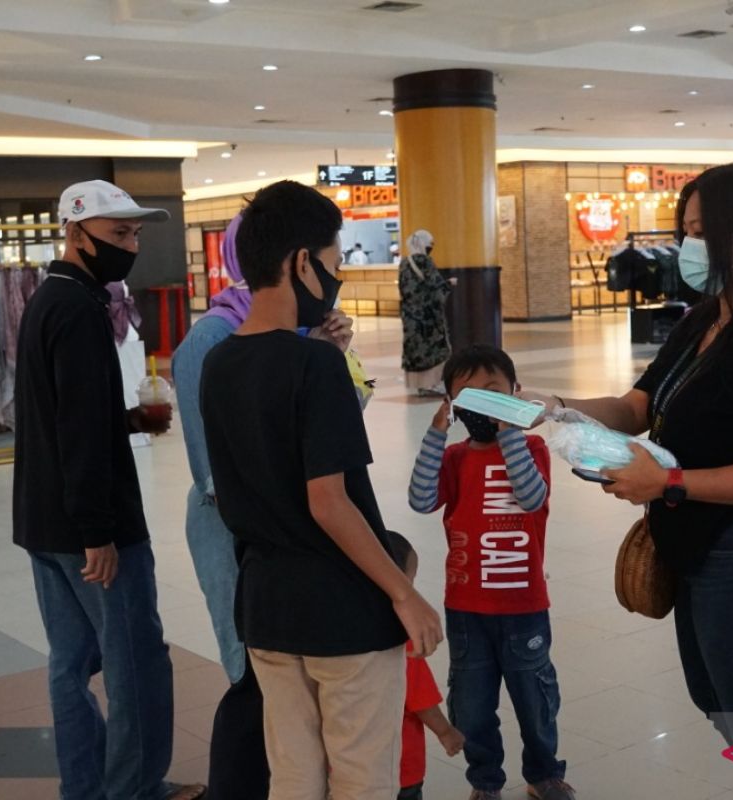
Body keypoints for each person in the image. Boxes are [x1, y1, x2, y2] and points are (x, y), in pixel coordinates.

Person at [522, 162, 733, 799]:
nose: (687, 246)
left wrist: (669, 483)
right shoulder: (704, 320)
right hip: (699, 543)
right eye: (684, 229)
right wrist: (555, 407)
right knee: (716, 700)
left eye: (699, 231)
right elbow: (636, 406)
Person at [199, 180, 443, 800]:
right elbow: (329, 502)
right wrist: (404, 593)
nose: (334, 282)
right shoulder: (316, 365)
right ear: (300, 262)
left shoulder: (217, 362)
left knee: (294, 775)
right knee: (362, 778)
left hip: (267, 609)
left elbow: (229, 491)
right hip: (344, 614)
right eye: (333, 266)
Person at [12, 179, 204, 800]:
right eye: (117, 234)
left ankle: (87, 787)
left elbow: (64, 412)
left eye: (135, 234)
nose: (130, 245)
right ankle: (135, 788)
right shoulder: (78, 309)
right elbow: (75, 430)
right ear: (75, 233)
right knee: (136, 664)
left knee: (70, 665)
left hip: (43, 521)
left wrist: (128, 420)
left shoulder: (51, 299)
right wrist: (98, 530)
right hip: (92, 529)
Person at [172, 212, 355, 800]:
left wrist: (327, 356)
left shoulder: (301, 336)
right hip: (241, 535)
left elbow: (332, 442)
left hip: (293, 533)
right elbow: (216, 473)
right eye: (332, 262)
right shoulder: (210, 341)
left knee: (290, 689)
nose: (337, 276)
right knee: (253, 680)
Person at [408, 344, 574, 800]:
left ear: (515, 395)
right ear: (454, 404)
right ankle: (485, 781)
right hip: (467, 610)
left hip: (524, 607)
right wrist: (437, 432)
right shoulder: (457, 459)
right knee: (472, 706)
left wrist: (510, 431)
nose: (482, 402)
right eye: (469, 395)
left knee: (536, 700)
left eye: (494, 392)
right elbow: (421, 500)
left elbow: (531, 496)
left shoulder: (533, 448)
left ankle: (543, 774)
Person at [385, 531, 466, 800]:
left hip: (348, 764)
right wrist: (446, 732)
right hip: (401, 769)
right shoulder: (403, 644)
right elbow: (422, 703)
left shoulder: (347, 635)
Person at [399, 229, 454, 396]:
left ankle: (420, 385)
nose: (431, 247)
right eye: (430, 244)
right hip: (428, 316)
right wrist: (449, 284)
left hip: (409, 315)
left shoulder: (404, 262)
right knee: (434, 349)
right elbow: (436, 287)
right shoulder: (425, 261)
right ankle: (433, 383)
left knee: (415, 349)